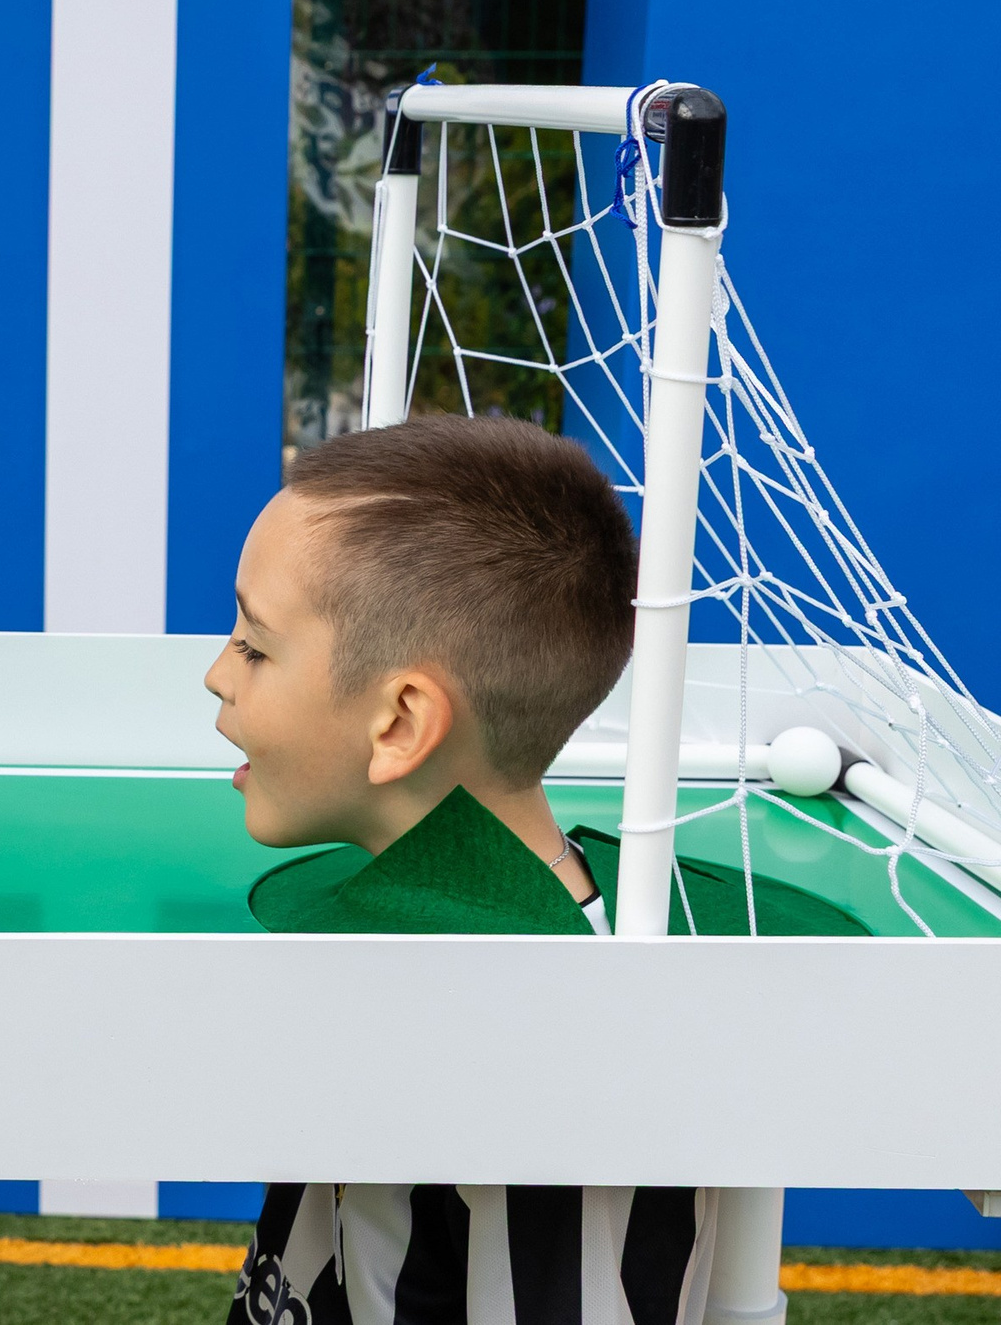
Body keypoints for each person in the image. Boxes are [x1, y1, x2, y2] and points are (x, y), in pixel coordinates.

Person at [205, 415, 860, 1325]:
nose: (217, 672)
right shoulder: (428, 939)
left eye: (253, 644)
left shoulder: (558, 1054)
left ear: (399, 722)